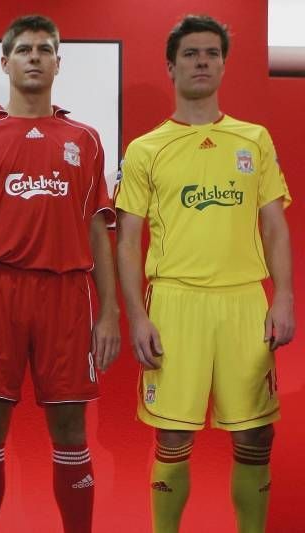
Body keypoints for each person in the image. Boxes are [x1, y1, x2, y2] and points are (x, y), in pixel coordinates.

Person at [0, 14, 120, 533]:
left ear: (59, 63)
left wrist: (108, 314)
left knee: (70, 428)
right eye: (24, 49)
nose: (34, 57)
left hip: (66, 295)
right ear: (5, 62)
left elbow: (96, 233)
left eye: (44, 49)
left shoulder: (84, 139)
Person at [115, 14, 294, 533]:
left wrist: (283, 298)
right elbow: (127, 242)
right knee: (172, 438)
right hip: (174, 303)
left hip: (243, 301)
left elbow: (275, 227)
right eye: (191, 54)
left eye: (211, 53)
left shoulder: (253, 139)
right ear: (172, 66)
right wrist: (138, 316)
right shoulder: (147, 148)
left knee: (255, 436)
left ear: (223, 64)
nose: (201, 61)